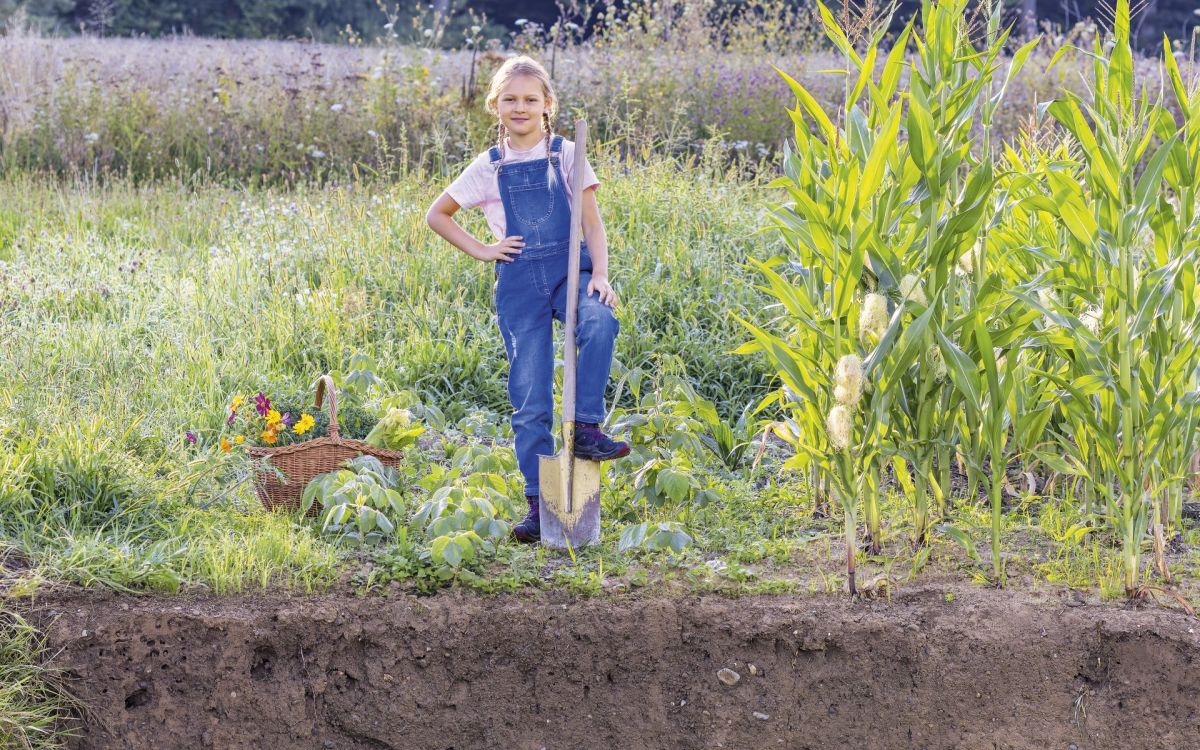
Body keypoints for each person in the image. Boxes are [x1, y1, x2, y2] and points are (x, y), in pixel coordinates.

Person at [425, 55, 629, 544]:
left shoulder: (566, 154)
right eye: (510, 99)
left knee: (600, 321)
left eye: (530, 100)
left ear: (547, 106)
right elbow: (438, 214)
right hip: (518, 282)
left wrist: (600, 273)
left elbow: (592, 224)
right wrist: (485, 250)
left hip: (568, 271)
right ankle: (540, 505)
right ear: (496, 106)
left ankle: (586, 426)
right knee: (530, 398)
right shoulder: (488, 166)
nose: (521, 107)